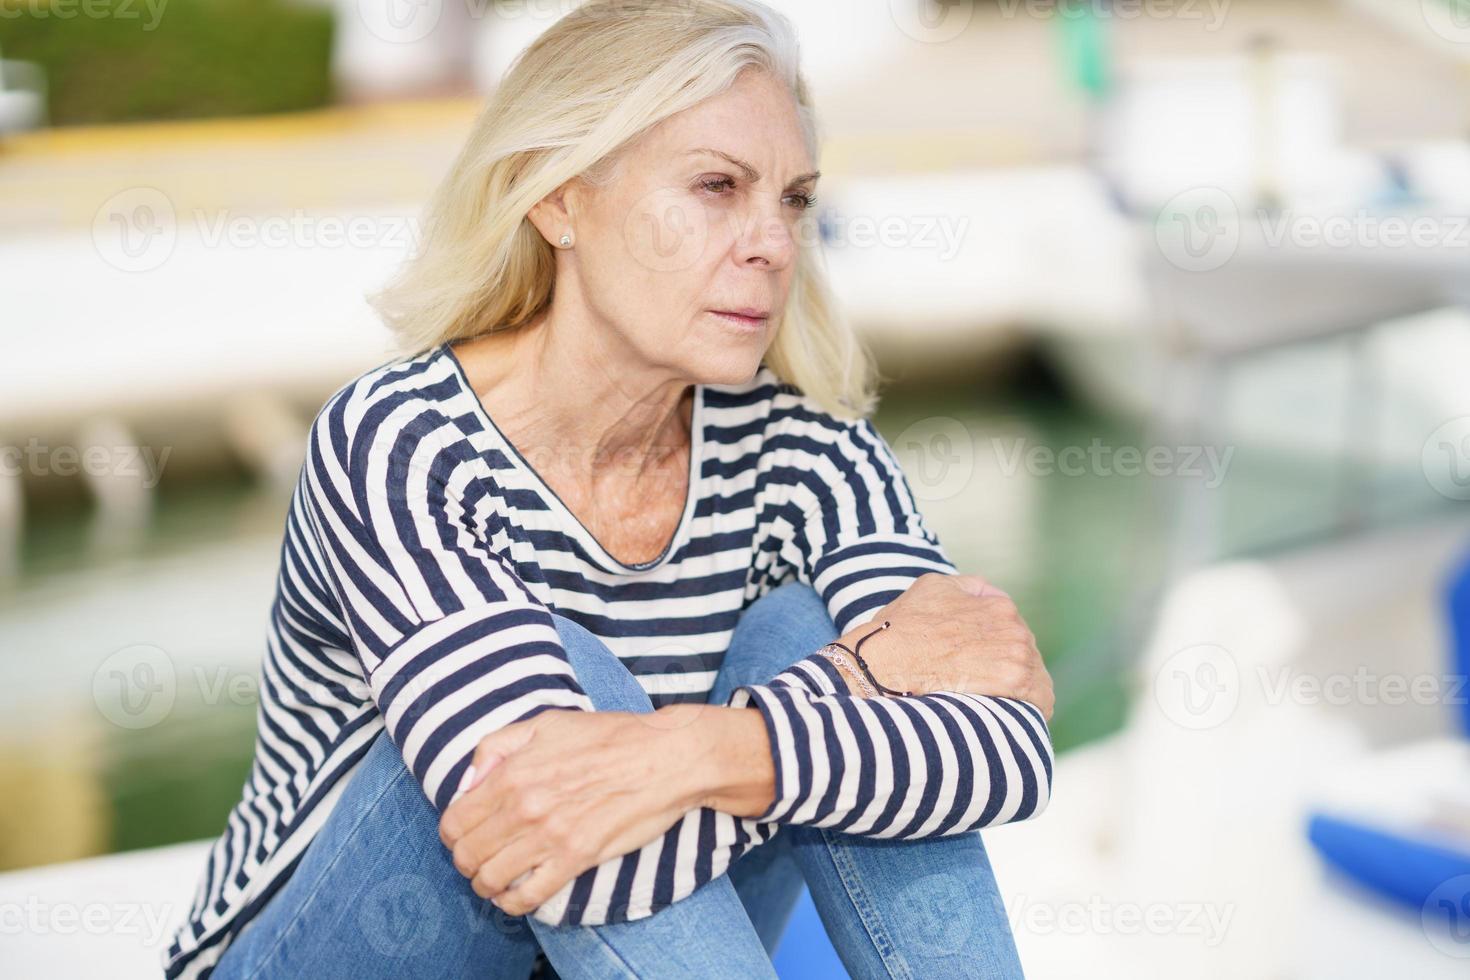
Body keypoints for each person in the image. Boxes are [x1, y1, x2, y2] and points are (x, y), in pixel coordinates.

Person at [163, 2, 1056, 977]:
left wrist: (694, 752)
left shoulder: (806, 448)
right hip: (341, 950)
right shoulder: (405, 440)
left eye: (795, 199)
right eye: (716, 186)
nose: (773, 242)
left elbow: (1008, 749)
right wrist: (861, 679)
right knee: (569, 702)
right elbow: (553, 840)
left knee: (799, 628)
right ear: (557, 199)